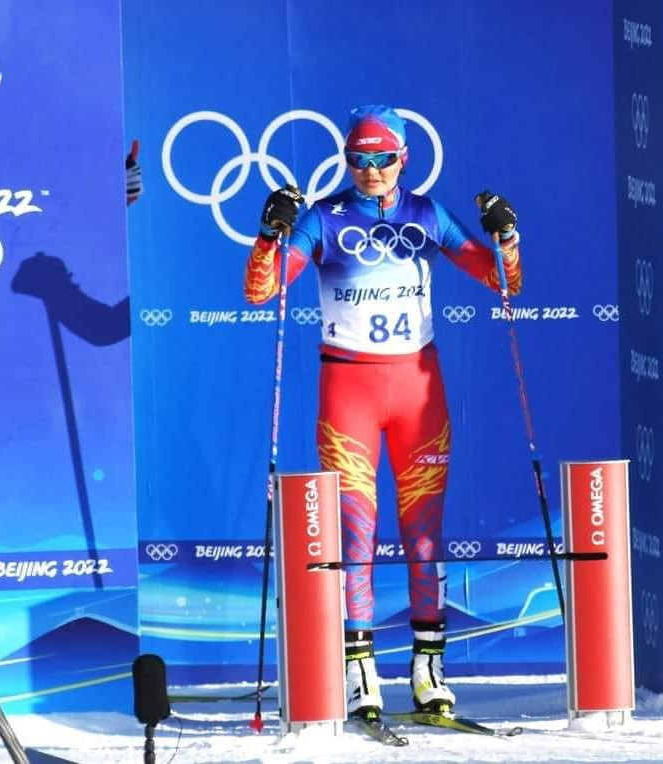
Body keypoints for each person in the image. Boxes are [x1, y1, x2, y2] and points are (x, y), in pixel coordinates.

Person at [243, 105, 522, 723]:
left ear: (403, 158)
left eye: (383, 158)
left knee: (425, 535)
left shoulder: (427, 213)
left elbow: (502, 281)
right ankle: (360, 674)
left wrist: (505, 236)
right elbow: (261, 290)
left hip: (418, 394)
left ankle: (429, 671)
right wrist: (270, 236)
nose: (370, 170)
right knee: (357, 534)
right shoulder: (325, 218)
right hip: (350, 394)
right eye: (359, 160)